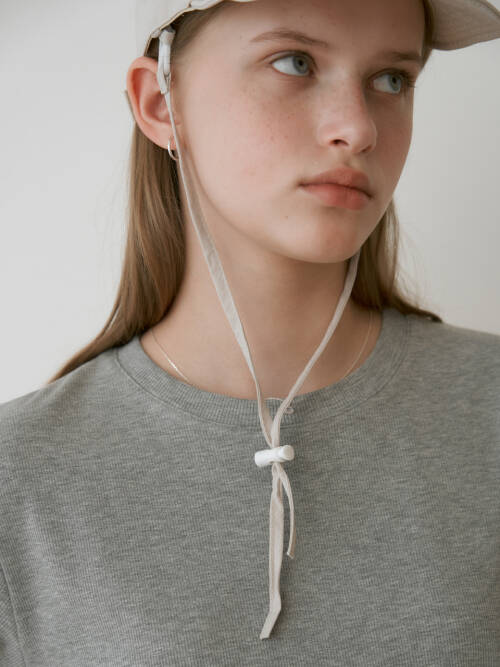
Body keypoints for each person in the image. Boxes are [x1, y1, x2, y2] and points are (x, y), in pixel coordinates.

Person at [1, 0, 499, 663]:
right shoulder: (21, 480)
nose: (357, 128)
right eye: (295, 62)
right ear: (160, 103)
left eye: (392, 79)